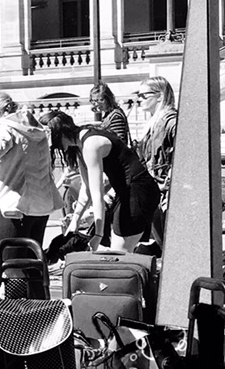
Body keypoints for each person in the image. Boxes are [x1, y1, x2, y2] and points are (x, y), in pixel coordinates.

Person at [41, 110, 160, 253]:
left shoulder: (91, 145)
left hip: (139, 191)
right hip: (127, 192)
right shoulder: (80, 144)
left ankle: (146, 258)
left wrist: (98, 235)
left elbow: (97, 194)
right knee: (118, 250)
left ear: (59, 134)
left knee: (119, 252)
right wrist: (75, 222)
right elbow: (87, 189)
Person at [0, 90, 62, 247]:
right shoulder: (33, 127)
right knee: (33, 257)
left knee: (9, 259)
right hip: (41, 204)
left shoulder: (3, 127)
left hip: (15, 206)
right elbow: (23, 160)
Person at [134, 76, 177, 244]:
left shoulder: (171, 121)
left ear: (160, 96)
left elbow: (185, 153)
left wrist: (170, 180)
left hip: (167, 194)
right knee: (163, 243)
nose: (139, 99)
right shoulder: (154, 123)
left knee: (169, 243)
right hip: (154, 192)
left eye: (143, 95)